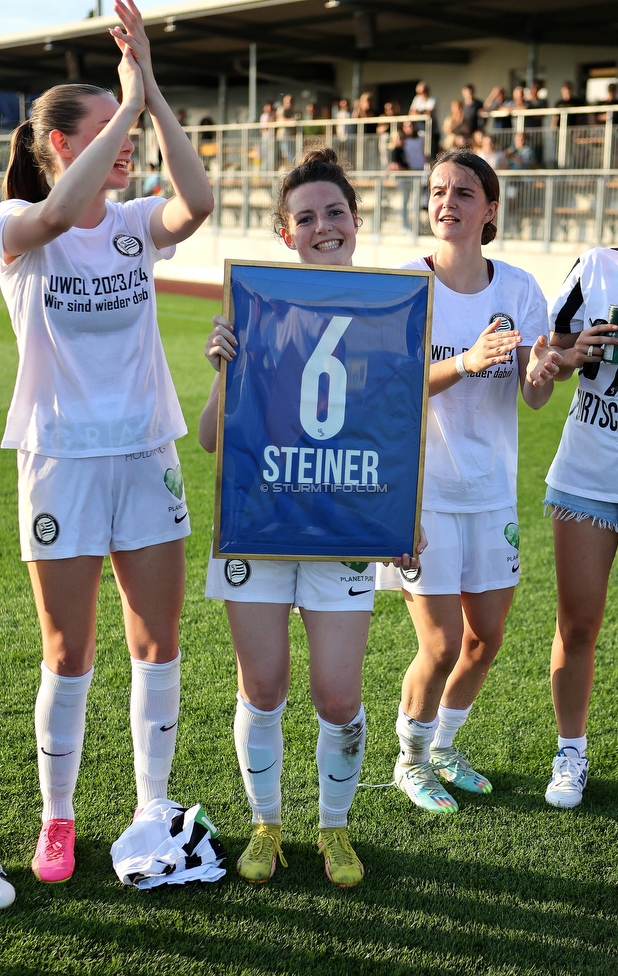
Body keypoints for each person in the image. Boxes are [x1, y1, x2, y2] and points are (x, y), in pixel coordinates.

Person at [0, 0, 213, 884]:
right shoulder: (16, 224)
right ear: (60, 145)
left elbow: (197, 202)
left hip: (145, 453)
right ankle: (58, 818)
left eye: (124, 135)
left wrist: (150, 93)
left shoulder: (133, 223)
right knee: (68, 650)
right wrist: (126, 104)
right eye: (106, 134)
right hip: (61, 461)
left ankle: (152, 800)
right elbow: (52, 221)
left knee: (156, 642)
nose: (124, 149)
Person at [199, 148, 424, 886]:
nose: (323, 225)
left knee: (337, 692)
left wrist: (403, 517)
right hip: (260, 527)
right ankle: (267, 823)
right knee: (262, 685)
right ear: (284, 233)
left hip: (343, 532)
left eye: (334, 211)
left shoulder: (388, 312)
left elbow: (394, 431)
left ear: (355, 220)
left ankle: (333, 828)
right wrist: (222, 373)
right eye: (306, 217)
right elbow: (210, 440)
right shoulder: (255, 312)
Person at [376, 148, 561, 813]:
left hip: (492, 493)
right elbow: (389, 388)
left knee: (486, 640)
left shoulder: (517, 289)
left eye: (461, 192)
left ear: (489, 209)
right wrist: (465, 361)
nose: (445, 201)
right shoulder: (405, 281)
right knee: (441, 642)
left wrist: (542, 371)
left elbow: (535, 394)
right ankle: (410, 760)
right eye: (436, 190)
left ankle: (445, 746)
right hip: (424, 494)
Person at [542, 159, 618, 808]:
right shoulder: (595, 267)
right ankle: (570, 754)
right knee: (578, 623)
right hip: (585, 472)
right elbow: (547, 360)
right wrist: (569, 354)